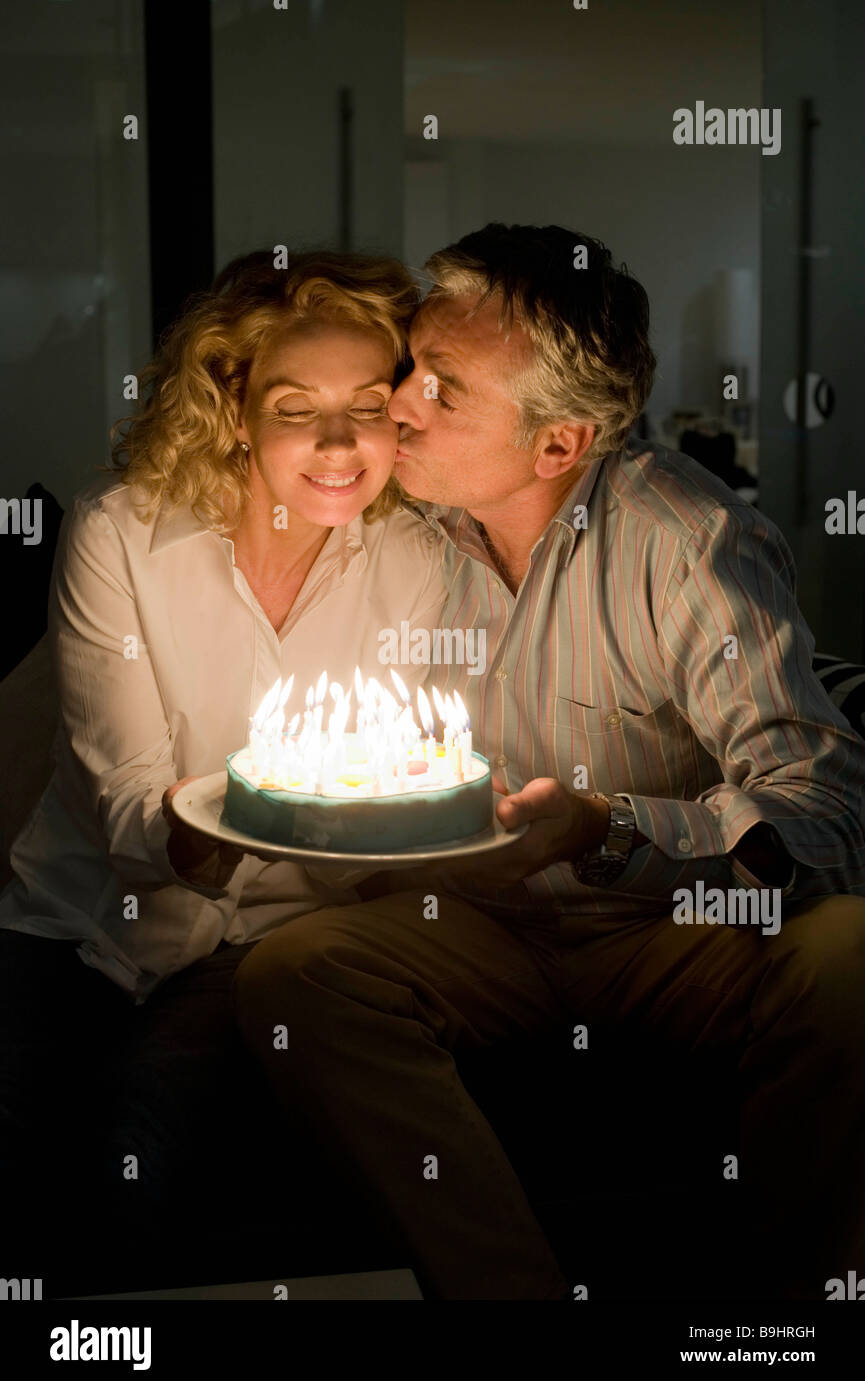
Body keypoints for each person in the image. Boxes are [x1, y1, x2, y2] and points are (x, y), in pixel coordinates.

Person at [232, 223, 865, 1301]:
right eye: (411, 369)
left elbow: (823, 813)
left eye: (444, 390)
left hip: (666, 928)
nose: (399, 407)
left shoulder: (687, 541)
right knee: (296, 975)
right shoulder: (401, 523)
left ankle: (789, 1317)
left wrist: (613, 828)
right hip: (474, 923)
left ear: (558, 445)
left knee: (849, 952)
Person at [0, 248, 446, 1285]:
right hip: (75, 924)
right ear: (233, 404)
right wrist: (232, 822)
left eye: (367, 404)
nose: (339, 444)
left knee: (138, 1167)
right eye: (297, 407)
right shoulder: (119, 532)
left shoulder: (417, 562)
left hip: (272, 941)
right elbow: (125, 810)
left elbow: (398, 807)